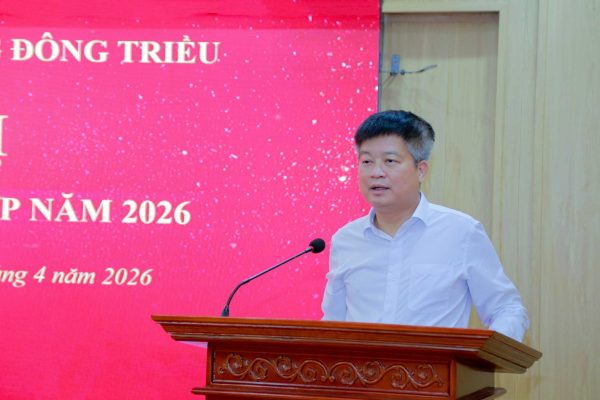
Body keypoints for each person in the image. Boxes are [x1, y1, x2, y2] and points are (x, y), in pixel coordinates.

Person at [321, 110, 529, 342]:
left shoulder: (461, 233)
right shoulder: (346, 240)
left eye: (390, 161)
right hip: (361, 366)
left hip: (437, 366)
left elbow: (506, 309)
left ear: (421, 170)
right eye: (367, 162)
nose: (376, 173)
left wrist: (481, 356)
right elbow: (332, 324)